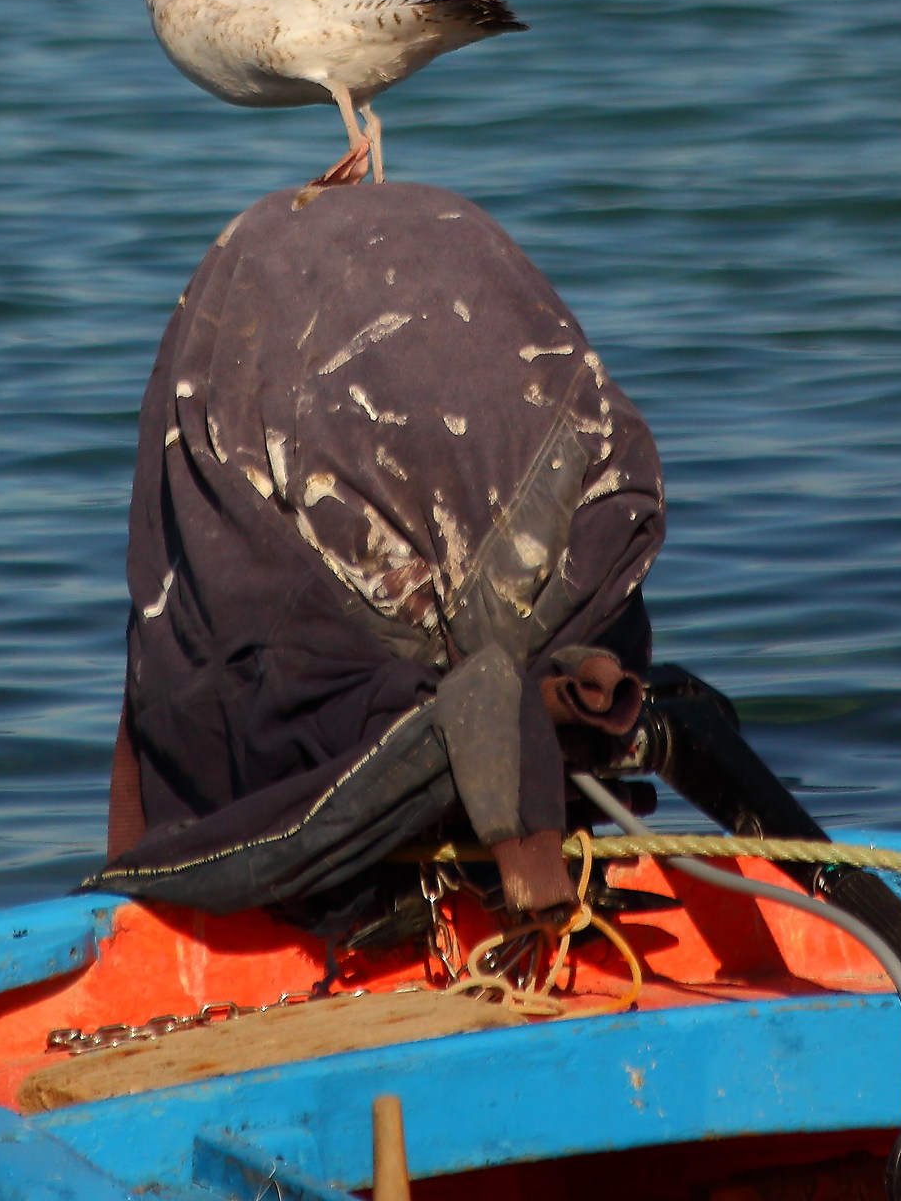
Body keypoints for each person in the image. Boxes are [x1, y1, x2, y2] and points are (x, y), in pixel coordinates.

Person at [93, 182, 664, 927]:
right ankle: (505, 791)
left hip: (347, 746)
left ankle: (447, 771)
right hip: (553, 546)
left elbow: (188, 707)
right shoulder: (594, 551)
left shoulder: (253, 582)